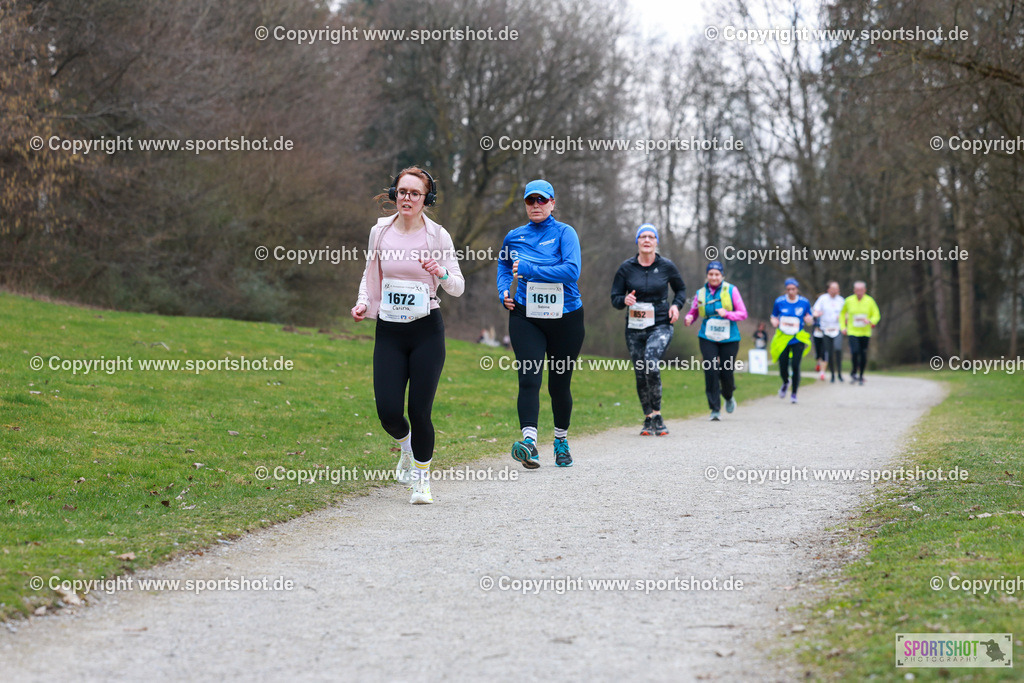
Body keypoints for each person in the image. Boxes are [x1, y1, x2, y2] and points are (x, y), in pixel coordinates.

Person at [351, 167, 464, 504]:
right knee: (388, 411)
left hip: (426, 329)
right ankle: (405, 446)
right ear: (394, 194)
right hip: (389, 330)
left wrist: (440, 271)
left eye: (415, 193)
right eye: (402, 192)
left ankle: (421, 481)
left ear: (426, 199)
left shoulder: (437, 236)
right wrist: (362, 303)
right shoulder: (380, 232)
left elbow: (457, 287)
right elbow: (369, 273)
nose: (407, 198)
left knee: (419, 410)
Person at [497, 179, 584, 468]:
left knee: (559, 385)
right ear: (525, 204)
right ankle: (530, 443)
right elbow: (503, 265)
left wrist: (532, 269)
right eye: (530, 201)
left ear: (552, 203)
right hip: (526, 316)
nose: (536, 205)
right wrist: (504, 291)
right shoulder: (514, 236)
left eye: (542, 200)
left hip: (566, 317)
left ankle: (560, 440)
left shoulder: (565, 233)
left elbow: (572, 271)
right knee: (529, 378)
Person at [610, 223, 686, 435]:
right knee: (640, 371)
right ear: (637, 241)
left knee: (651, 362)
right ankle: (648, 417)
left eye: (650, 237)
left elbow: (681, 290)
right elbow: (614, 299)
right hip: (634, 328)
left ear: (656, 242)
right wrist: (624, 299)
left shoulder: (667, 266)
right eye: (642, 236)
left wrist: (675, 306)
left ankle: (658, 414)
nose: (646, 240)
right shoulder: (626, 268)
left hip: (661, 324)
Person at [684, 261, 748, 421]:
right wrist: (689, 318)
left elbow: (743, 314)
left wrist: (727, 313)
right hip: (708, 337)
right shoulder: (700, 293)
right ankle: (714, 409)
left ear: (722, 276)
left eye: (717, 274)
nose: (714, 277)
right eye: (711, 274)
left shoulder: (731, 290)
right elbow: (693, 312)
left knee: (726, 372)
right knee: (711, 370)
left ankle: (728, 395)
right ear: (707, 276)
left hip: (729, 337)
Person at [770, 278, 814, 404]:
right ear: (786, 289)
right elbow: (774, 315)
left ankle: (794, 393)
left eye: (793, 289)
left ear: (797, 289)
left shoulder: (804, 302)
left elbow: (809, 318)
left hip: (797, 338)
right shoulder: (779, 302)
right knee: (783, 365)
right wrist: (774, 321)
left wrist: (809, 320)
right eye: (788, 289)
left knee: (795, 365)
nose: (791, 291)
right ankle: (785, 382)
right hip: (783, 338)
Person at [840, 280, 881, 384]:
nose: (859, 292)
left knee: (863, 353)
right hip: (852, 331)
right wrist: (843, 327)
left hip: (865, 332)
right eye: (857, 290)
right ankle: (854, 371)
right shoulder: (848, 300)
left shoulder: (869, 301)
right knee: (855, 351)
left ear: (865, 290)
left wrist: (871, 321)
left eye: (861, 290)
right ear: (854, 290)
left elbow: (876, 314)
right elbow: (842, 314)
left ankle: (861, 375)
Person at [812, 281, 845, 382]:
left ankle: (839, 373)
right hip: (825, 330)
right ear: (828, 289)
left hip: (837, 328)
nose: (835, 290)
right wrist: (816, 313)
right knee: (829, 353)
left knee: (838, 349)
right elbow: (815, 310)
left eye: (837, 288)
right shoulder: (823, 299)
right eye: (833, 288)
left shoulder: (841, 300)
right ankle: (832, 375)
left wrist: (843, 317)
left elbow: (847, 313)